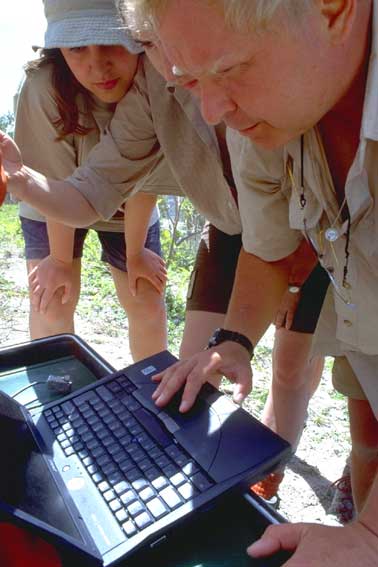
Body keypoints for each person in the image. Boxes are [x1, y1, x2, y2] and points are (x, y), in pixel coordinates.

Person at [116, 0, 378, 564]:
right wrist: (232, 341)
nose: (211, 110)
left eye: (230, 68)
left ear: (334, 9)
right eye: (191, 80)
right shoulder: (272, 116)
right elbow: (268, 249)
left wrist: (371, 537)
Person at [14, 0, 167, 361]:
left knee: (147, 302)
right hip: (54, 202)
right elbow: (52, 181)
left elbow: (147, 178)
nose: (97, 65)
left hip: (129, 205)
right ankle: (54, 399)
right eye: (78, 47)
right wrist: (61, 261)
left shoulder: (158, 79)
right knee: (52, 300)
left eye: (114, 41)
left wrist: (135, 253)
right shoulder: (42, 85)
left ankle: (152, 398)